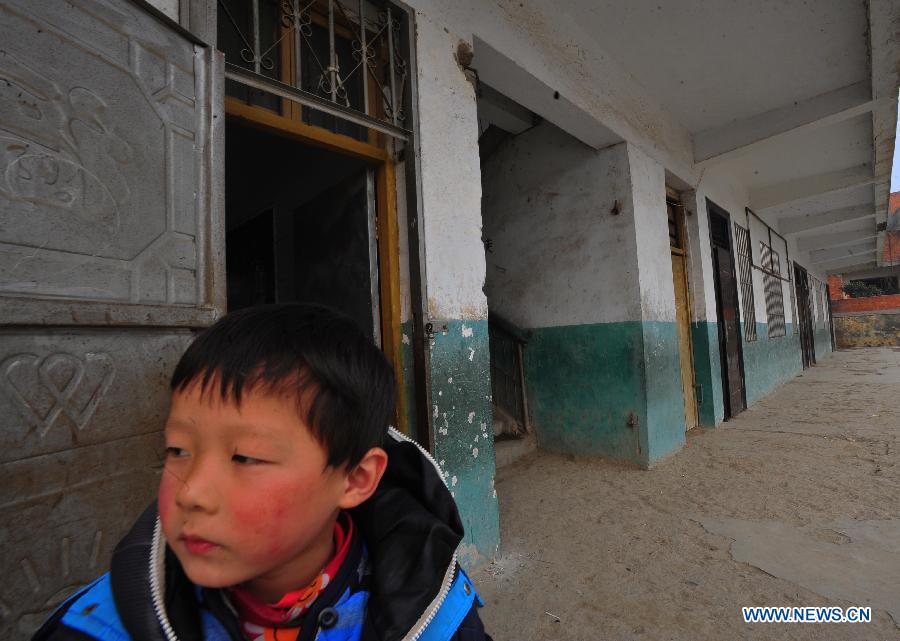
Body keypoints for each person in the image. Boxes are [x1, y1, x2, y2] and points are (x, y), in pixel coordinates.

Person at [32, 303, 490, 641]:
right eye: (178, 450)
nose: (191, 493)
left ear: (355, 479)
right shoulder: (104, 621)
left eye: (246, 457)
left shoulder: (432, 607)